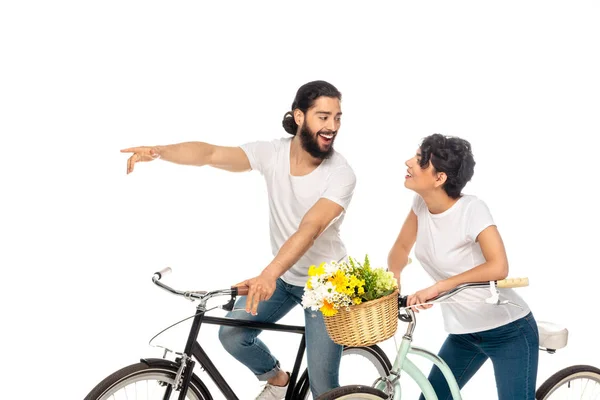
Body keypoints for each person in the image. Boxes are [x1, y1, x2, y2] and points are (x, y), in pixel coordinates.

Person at [120, 80, 356, 399]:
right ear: (299, 116)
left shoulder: (340, 173)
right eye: (323, 117)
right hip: (286, 276)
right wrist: (161, 152)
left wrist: (267, 274)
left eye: (337, 118)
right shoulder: (272, 153)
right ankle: (278, 382)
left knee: (323, 388)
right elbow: (211, 153)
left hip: (328, 284)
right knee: (232, 334)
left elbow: (309, 229)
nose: (332, 127)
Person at [387, 133, 539, 400]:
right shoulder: (420, 204)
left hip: (508, 330)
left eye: (420, 160)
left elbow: (499, 266)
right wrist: (393, 281)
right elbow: (400, 249)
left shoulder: (472, 210)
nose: (408, 162)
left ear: (439, 178)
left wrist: (440, 287)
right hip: (464, 333)